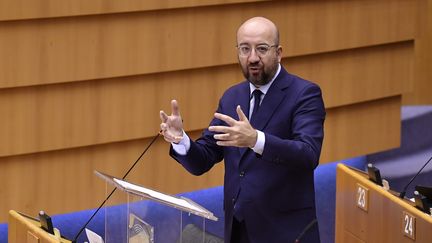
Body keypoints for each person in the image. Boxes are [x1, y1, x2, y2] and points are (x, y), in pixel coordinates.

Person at [159, 16, 325, 243]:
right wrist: (180, 140)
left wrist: (256, 139)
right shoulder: (232, 97)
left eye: (262, 49)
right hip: (238, 228)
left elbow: (308, 154)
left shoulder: (304, 94)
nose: (253, 58)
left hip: (285, 232)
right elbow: (203, 160)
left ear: (279, 52)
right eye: (245, 49)